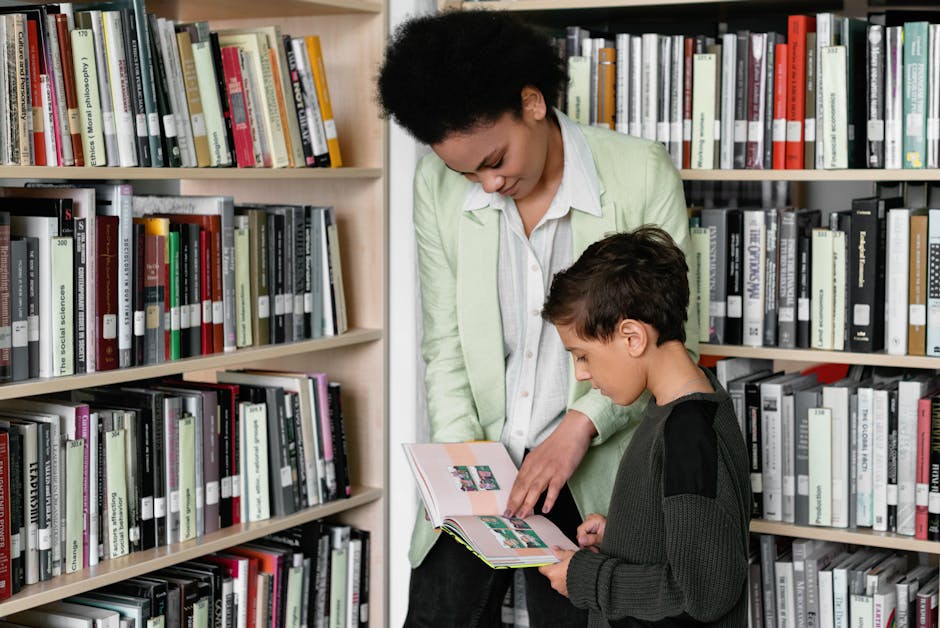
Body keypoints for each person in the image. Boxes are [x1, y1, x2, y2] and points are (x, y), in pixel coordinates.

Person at [377, 9, 699, 627]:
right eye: (465, 170)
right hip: (481, 470)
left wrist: (581, 425)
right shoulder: (437, 189)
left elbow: (670, 341)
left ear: (532, 103)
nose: (488, 183)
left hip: (595, 471)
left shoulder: (637, 173)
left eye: (495, 159)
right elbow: (443, 343)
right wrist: (462, 456)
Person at [538, 227, 751, 626]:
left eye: (582, 355)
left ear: (632, 337)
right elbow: (690, 537)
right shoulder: (677, 409)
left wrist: (587, 578)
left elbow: (702, 594)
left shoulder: (689, 435)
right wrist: (622, 537)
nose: (581, 374)